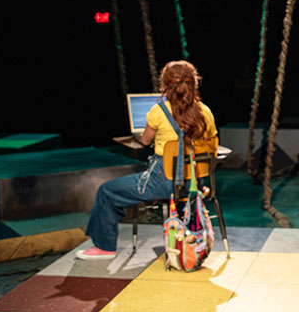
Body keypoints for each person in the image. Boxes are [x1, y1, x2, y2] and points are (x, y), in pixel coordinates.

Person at [77, 60, 218, 260]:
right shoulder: (206, 112)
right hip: (197, 184)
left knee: (107, 191)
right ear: (194, 83)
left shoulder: (158, 111)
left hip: (163, 184)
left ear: (164, 86)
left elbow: (144, 141)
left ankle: (104, 247)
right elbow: (210, 141)